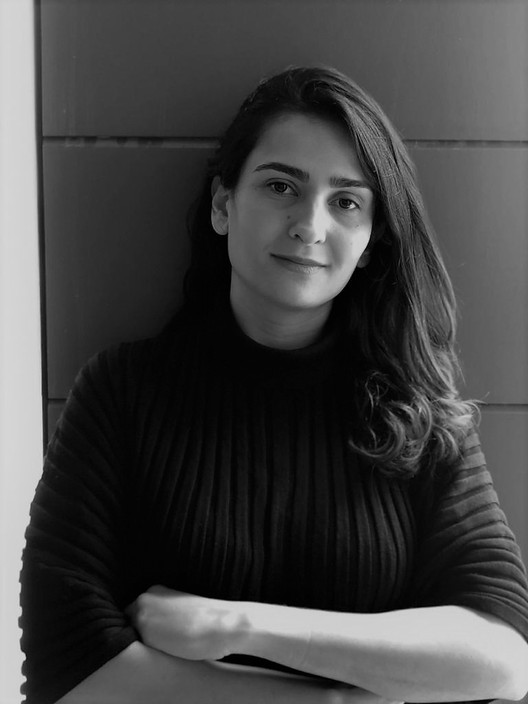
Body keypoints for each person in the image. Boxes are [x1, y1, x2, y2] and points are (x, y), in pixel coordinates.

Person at [20, 66, 528, 704]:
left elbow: (502, 653)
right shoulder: (121, 391)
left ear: (371, 243)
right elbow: (67, 668)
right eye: (281, 186)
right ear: (223, 206)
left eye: (347, 202)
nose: (309, 225)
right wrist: (340, 699)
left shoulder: (417, 413)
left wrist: (241, 626)